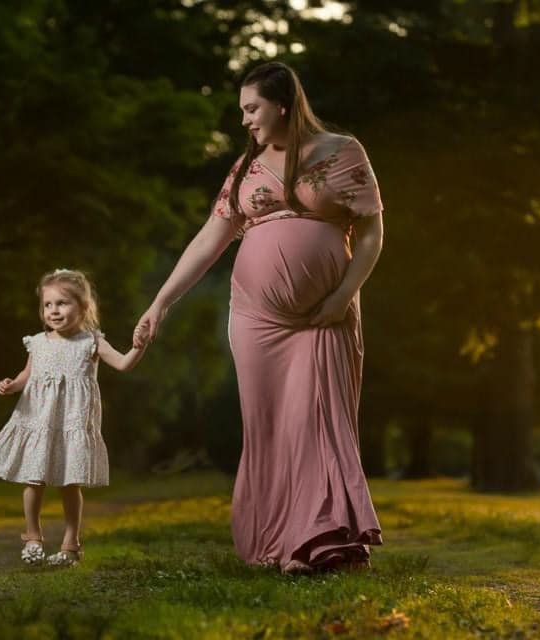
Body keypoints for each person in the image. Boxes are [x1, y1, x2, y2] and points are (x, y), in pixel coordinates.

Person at [133, 62, 384, 574]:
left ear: (283, 105)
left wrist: (343, 296)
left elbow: (373, 234)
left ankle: (318, 542)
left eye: (252, 109)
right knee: (269, 426)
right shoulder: (247, 167)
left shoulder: (341, 151)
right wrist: (161, 302)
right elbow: (210, 238)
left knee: (313, 421)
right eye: (243, 111)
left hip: (323, 316)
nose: (245, 120)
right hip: (255, 320)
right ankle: (278, 544)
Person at [0, 268, 145, 566]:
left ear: (83, 307)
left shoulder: (91, 341)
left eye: (62, 303)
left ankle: (71, 545)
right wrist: (13, 385)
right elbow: (28, 374)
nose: (53, 310)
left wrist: (139, 346)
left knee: (70, 482)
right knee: (33, 478)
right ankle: (32, 537)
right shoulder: (38, 342)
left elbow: (123, 364)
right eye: (48, 304)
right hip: (39, 420)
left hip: (72, 422)